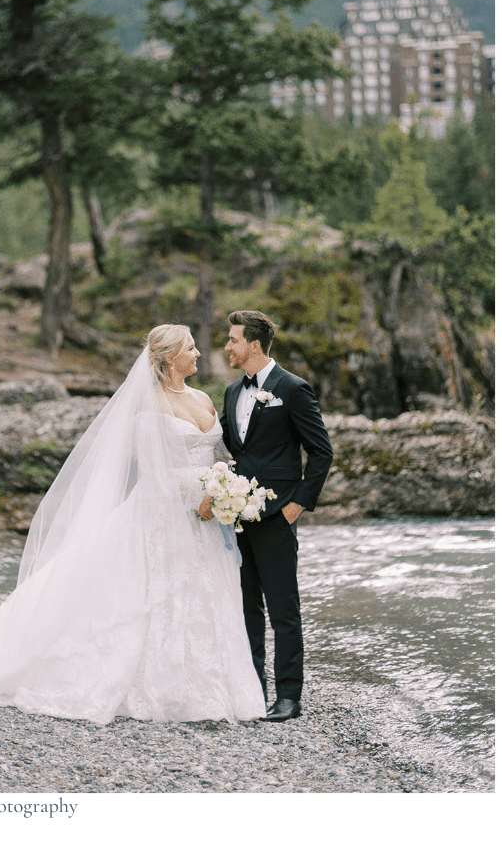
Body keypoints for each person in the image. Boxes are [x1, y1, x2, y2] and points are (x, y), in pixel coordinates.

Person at [0, 325, 262, 723]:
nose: (197, 354)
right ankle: (162, 688)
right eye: (190, 348)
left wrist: (224, 489)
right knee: (154, 597)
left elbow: (217, 455)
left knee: (204, 595)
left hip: (207, 519)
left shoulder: (204, 399)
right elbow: (153, 471)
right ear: (170, 357)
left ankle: (211, 685)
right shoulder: (149, 405)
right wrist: (199, 496)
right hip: (165, 513)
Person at [220, 309, 332, 722]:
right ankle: (253, 690)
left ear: (253, 344)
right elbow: (230, 448)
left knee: (284, 609)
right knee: (247, 607)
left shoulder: (294, 389)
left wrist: (296, 505)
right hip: (236, 516)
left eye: (233, 340)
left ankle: (289, 696)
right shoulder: (233, 393)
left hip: (277, 515)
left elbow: (321, 451)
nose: (227, 346)